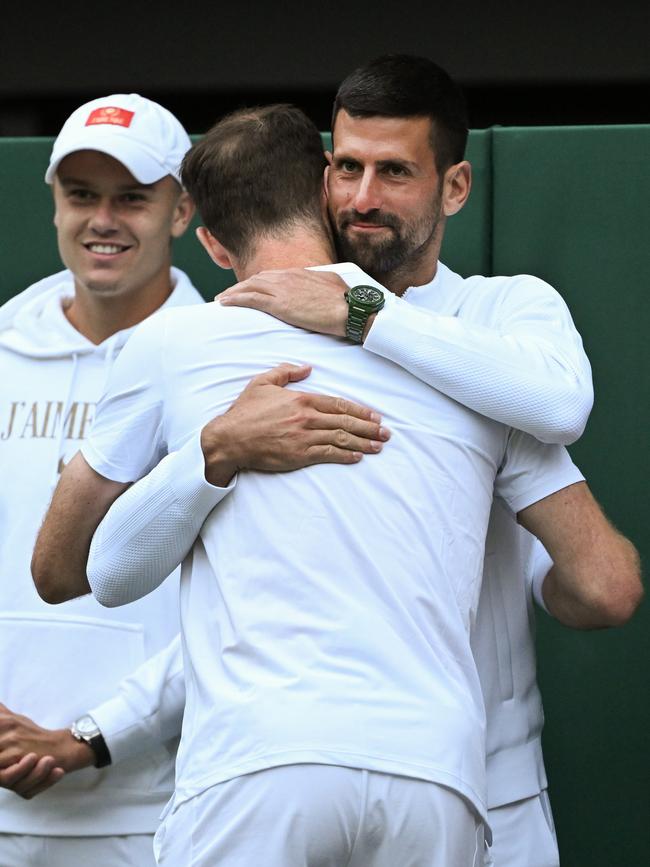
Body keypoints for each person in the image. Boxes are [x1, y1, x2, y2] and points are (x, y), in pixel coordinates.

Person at [32, 103, 641, 867]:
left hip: (259, 762)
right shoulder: (474, 362)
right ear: (329, 190)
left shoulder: (176, 342)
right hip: (440, 773)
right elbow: (605, 584)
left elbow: (99, 574)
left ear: (212, 242)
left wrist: (214, 453)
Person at [0, 93, 385, 867]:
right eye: (81, 195)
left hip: (168, 803)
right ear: (52, 203)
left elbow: (259, 595)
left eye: (132, 197)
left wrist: (98, 733)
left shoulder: (240, 360)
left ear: (185, 215)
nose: (103, 219)